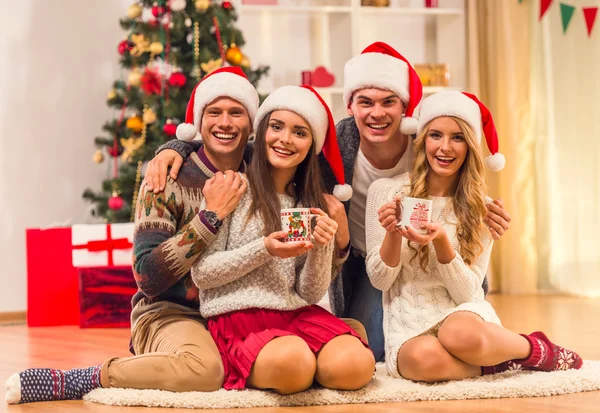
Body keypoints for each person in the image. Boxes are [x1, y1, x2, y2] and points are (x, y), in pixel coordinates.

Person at [144, 42, 512, 361]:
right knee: (374, 351)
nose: (377, 113)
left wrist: (484, 209)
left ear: (406, 110)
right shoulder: (336, 142)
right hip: (361, 260)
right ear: (351, 105)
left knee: (441, 326)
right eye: (365, 102)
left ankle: (475, 341)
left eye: (388, 102)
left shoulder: (428, 143)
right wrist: (176, 146)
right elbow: (269, 149)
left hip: (425, 261)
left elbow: (461, 176)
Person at [5, 67, 258, 404]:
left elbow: (309, 151)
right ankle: (88, 378)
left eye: (236, 113)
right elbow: (148, 277)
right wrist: (209, 216)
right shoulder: (166, 178)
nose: (225, 123)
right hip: (171, 311)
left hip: (238, 312)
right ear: (199, 123)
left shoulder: (263, 173)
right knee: (205, 371)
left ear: (252, 124)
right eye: (214, 112)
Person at [364, 90, 582, 382]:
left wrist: (442, 243)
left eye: (458, 137)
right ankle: (502, 364)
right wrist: (392, 234)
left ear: (470, 146)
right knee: (420, 360)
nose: (445, 147)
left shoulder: (484, 209)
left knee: (459, 333)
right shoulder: (386, 192)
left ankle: (535, 348)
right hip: (408, 322)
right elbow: (381, 281)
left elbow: (467, 293)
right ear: (422, 140)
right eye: (435, 135)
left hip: (462, 316)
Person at [190, 85, 375, 394]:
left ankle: (304, 366)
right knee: (294, 364)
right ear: (261, 132)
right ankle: (296, 367)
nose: (285, 139)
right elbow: (203, 274)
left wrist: (321, 246)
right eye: (276, 127)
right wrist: (265, 248)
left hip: (296, 313)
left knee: (355, 366)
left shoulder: (309, 203)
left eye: (299, 132)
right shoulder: (231, 189)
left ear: (311, 145)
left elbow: (310, 293)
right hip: (237, 317)